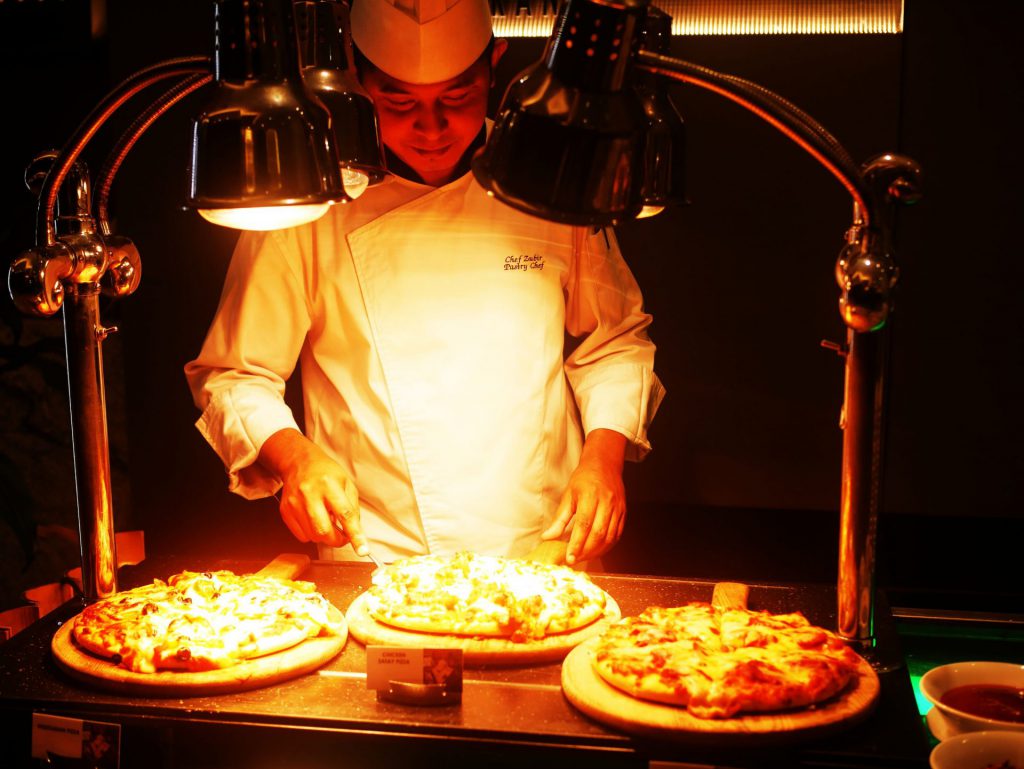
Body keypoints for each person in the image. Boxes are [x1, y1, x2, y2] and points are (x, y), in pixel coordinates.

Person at [185, 0, 663, 567]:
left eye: (457, 98)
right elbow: (235, 375)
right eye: (398, 101)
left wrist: (603, 460)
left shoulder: (546, 176)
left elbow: (616, 343)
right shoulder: (308, 195)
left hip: (543, 554)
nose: (431, 129)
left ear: (495, 68)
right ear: (354, 79)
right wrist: (295, 459)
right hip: (379, 558)